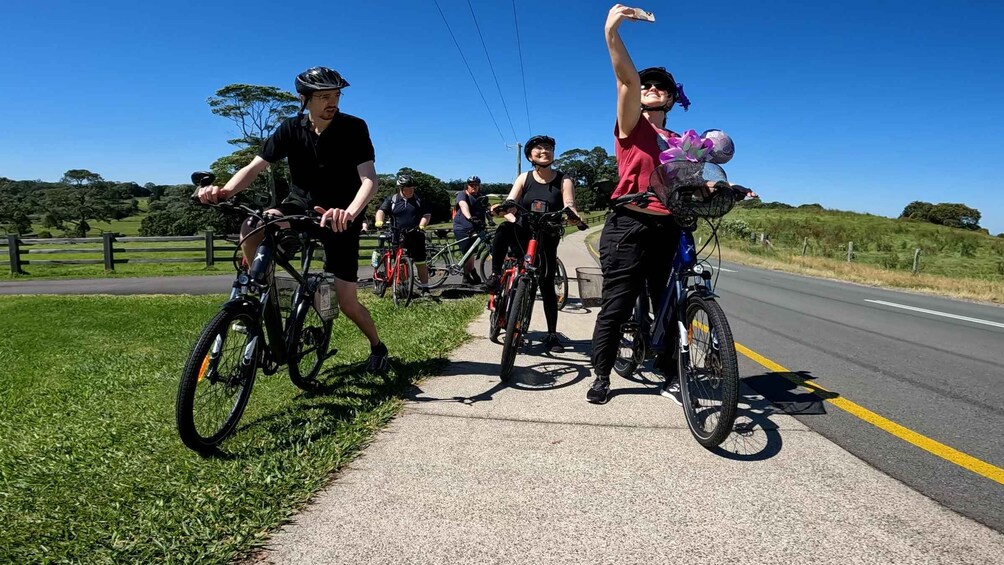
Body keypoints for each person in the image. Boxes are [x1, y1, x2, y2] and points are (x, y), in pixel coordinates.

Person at [196, 66, 390, 374]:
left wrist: (349, 213)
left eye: (336, 95)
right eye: (324, 96)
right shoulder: (290, 128)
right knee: (254, 224)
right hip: (299, 207)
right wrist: (224, 191)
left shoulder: (354, 128)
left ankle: (378, 347)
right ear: (305, 99)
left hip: (339, 216)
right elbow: (256, 165)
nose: (333, 102)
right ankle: (264, 295)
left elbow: (369, 180)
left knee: (347, 302)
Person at [587, 6, 690, 403]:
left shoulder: (682, 140)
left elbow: (695, 177)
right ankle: (601, 375)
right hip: (629, 223)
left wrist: (725, 189)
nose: (652, 89)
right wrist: (612, 33)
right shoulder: (632, 125)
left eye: (661, 87)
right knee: (619, 301)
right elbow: (626, 80)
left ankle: (668, 368)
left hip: (668, 226)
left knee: (667, 299)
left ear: (671, 98)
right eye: (647, 86)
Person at [488, 134, 582, 353]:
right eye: (539, 148)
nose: (544, 151)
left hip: (547, 235)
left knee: (546, 284)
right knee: (503, 230)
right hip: (523, 231)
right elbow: (512, 201)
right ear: (530, 155)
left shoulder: (563, 179)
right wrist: (503, 208)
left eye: (548, 147)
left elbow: (569, 203)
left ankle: (551, 334)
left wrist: (573, 217)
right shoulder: (524, 178)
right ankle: (494, 276)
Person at [374, 175, 432, 293]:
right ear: (400, 188)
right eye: (407, 187)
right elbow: (381, 211)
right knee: (400, 262)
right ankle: (403, 286)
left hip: (416, 234)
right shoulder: (392, 200)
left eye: (412, 187)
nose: (410, 190)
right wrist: (379, 221)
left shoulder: (419, 200)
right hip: (397, 235)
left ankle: (425, 288)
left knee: (420, 262)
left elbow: (427, 214)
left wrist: (422, 225)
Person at [452, 175, 487, 285]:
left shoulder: (480, 197)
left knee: (472, 252)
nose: (474, 187)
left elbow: (487, 209)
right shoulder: (463, 195)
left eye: (476, 185)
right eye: (471, 185)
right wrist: (469, 217)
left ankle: (470, 272)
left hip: (475, 228)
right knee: (467, 252)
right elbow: (463, 205)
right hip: (462, 228)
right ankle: (466, 276)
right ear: (467, 186)